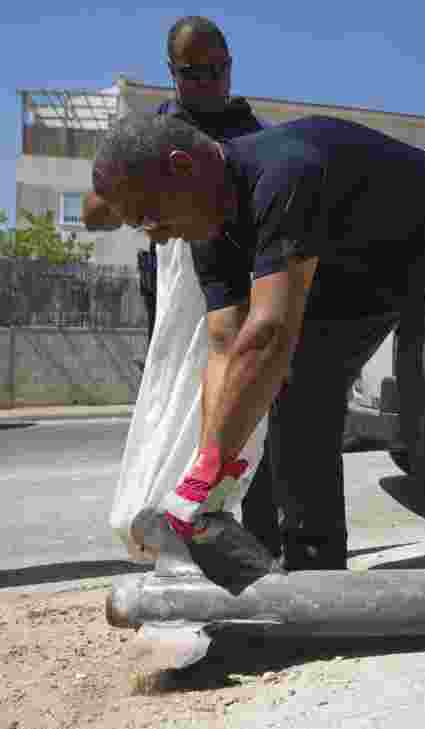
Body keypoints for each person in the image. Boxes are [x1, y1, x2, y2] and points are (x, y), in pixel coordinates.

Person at [91, 111, 425, 572]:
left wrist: (207, 472)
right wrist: (209, 469)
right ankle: (314, 564)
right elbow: (226, 347)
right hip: (350, 270)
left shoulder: (285, 174)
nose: (156, 236)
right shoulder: (205, 231)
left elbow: (268, 334)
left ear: (183, 168)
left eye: (149, 216)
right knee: (298, 390)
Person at [84, 16, 284, 557]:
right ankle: (178, 534)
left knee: (245, 405)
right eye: (194, 72)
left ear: (231, 68)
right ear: (173, 74)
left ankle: (251, 543)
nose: (208, 82)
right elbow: (95, 212)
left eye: (217, 70)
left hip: (234, 285)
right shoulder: (154, 131)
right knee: (173, 401)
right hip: (177, 290)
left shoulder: (251, 134)